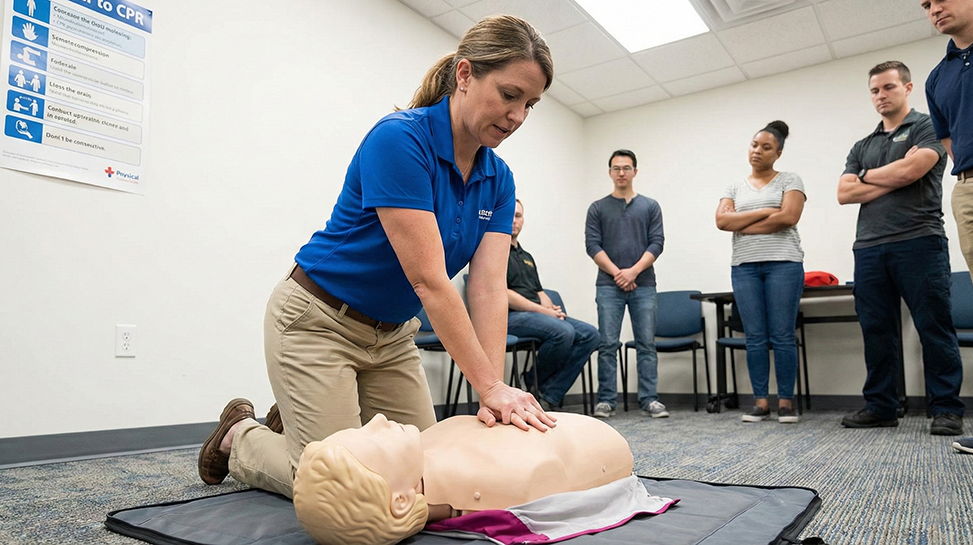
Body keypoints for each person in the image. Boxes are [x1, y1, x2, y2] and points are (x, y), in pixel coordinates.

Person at [197, 15, 559, 496]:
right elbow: (430, 280)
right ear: (466, 75)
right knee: (346, 488)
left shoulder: (499, 177)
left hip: (391, 340)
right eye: (510, 95)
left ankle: (306, 420)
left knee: (426, 478)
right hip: (317, 321)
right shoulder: (401, 139)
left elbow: (488, 287)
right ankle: (239, 436)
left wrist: (489, 391)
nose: (517, 116)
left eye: (530, 104)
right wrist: (492, 386)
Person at [292, 411, 675, 545]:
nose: (376, 421)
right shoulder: (499, 480)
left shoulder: (425, 452)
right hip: (595, 444)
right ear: (401, 500)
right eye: (371, 440)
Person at [836, 60, 965, 436]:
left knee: (933, 325)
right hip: (870, 248)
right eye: (875, 90)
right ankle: (881, 406)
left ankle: (946, 408)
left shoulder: (927, 126)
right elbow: (844, 192)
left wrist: (868, 178)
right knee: (877, 329)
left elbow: (916, 169)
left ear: (907, 88)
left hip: (919, 240)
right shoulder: (863, 145)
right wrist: (893, 173)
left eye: (888, 87)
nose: (881, 96)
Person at [715, 121, 806, 424]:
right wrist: (768, 212)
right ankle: (760, 402)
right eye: (755, 144)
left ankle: (785, 402)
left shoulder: (789, 180)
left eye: (766, 147)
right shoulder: (734, 186)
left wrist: (741, 220)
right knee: (754, 337)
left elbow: (790, 216)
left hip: (784, 263)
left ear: (777, 153)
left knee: (781, 335)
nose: (757, 151)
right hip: (744, 267)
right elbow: (722, 222)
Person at [922, 0, 973, 452]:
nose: (934, 8)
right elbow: (947, 139)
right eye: (925, 4)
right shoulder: (937, 77)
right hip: (970, 186)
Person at [585, 149, 667, 419]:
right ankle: (606, 400)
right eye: (616, 168)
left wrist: (632, 272)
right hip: (608, 287)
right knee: (607, 344)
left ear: (635, 171)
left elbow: (657, 242)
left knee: (646, 343)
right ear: (610, 172)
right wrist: (618, 274)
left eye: (627, 167)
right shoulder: (597, 208)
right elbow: (592, 244)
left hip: (644, 285)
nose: (621, 172)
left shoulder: (650, 206)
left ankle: (649, 399)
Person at [506, 199, 599, 410]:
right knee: (563, 332)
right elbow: (503, 294)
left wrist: (551, 309)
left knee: (590, 335)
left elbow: (539, 292)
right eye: (510, 215)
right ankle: (534, 384)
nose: (514, 220)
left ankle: (548, 392)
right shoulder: (493, 251)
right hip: (510, 317)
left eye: (518, 216)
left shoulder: (527, 256)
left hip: (535, 315)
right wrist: (544, 311)